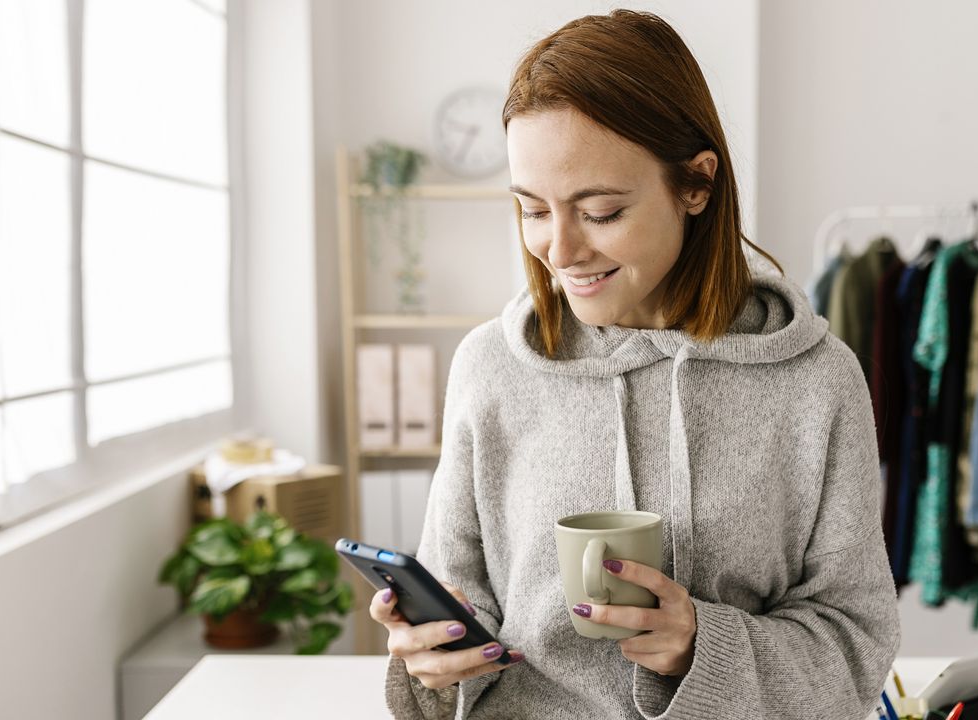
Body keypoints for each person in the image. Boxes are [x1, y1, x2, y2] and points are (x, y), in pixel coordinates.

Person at [370, 10, 900, 719]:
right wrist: (431, 664)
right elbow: (457, 634)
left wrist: (697, 647)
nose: (558, 250)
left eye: (600, 211)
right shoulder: (491, 370)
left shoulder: (816, 381)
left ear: (697, 185)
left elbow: (855, 647)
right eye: (532, 209)